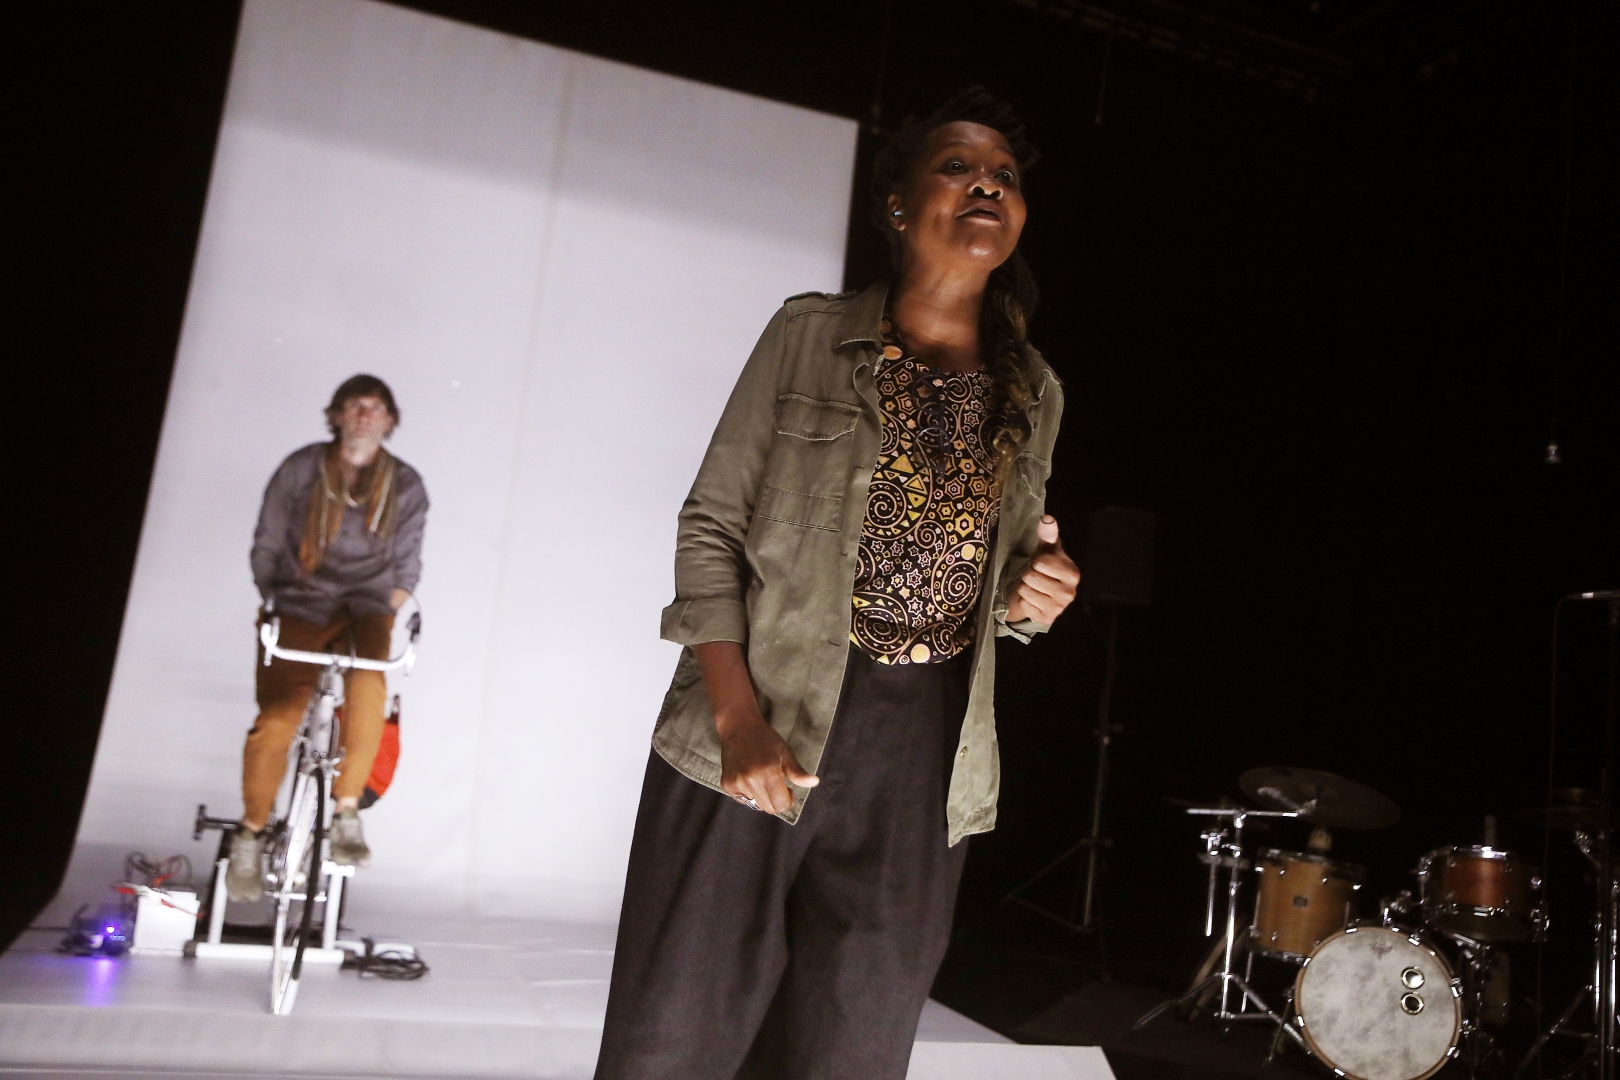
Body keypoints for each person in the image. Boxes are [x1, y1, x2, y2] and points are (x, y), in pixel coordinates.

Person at [594, 89, 1079, 1080]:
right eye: (958, 165)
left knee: (853, 1049)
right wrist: (737, 721)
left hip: (925, 757)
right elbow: (712, 526)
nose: (987, 184)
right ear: (899, 204)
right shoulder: (810, 335)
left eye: (1005, 175)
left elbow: (1000, 592)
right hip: (767, 710)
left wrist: (1034, 597)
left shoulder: (1033, 388)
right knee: (674, 1036)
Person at [225, 374, 429, 902]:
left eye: (375, 407)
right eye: (354, 405)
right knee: (277, 718)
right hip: (300, 601)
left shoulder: (405, 484)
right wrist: (276, 597)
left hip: (366, 608)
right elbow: (267, 541)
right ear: (336, 414)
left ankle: (345, 814)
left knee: (369, 689)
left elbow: (407, 567)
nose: (364, 415)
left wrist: (381, 615)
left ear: (390, 420)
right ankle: (251, 832)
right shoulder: (301, 468)